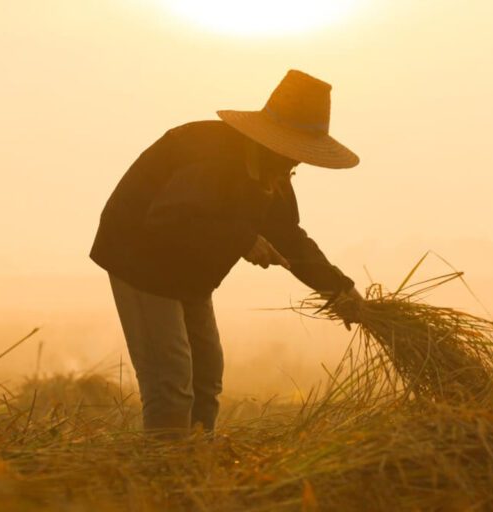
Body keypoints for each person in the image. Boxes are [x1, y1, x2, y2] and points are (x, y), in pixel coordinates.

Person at [90, 69, 363, 433]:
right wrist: (242, 240)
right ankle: (165, 469)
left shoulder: (273, 174)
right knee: (170, 376)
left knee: (206, 374)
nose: (296, 163)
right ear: (271, 141)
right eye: (293, 152)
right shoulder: (211, 156)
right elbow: (169, 216)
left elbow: (289, 237)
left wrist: (338, 288)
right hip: (140, 258)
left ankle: (198, 461)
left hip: (193, 268)